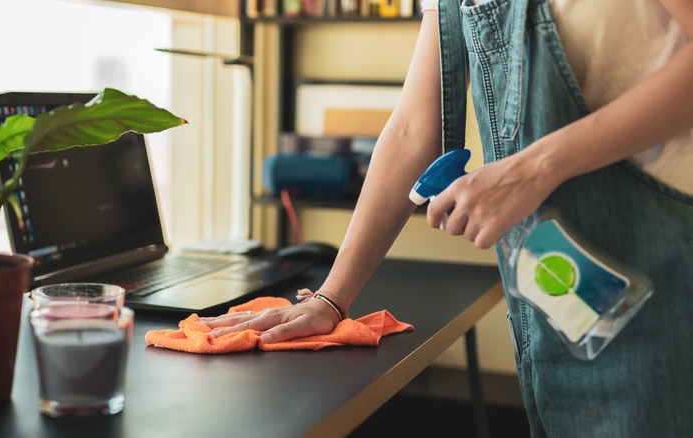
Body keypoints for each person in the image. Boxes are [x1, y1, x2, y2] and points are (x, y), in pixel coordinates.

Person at [203, 0, 693, 435]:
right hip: (559, 300)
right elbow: (415, 128)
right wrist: (330, 299)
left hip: (667, 270)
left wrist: (535, 167)